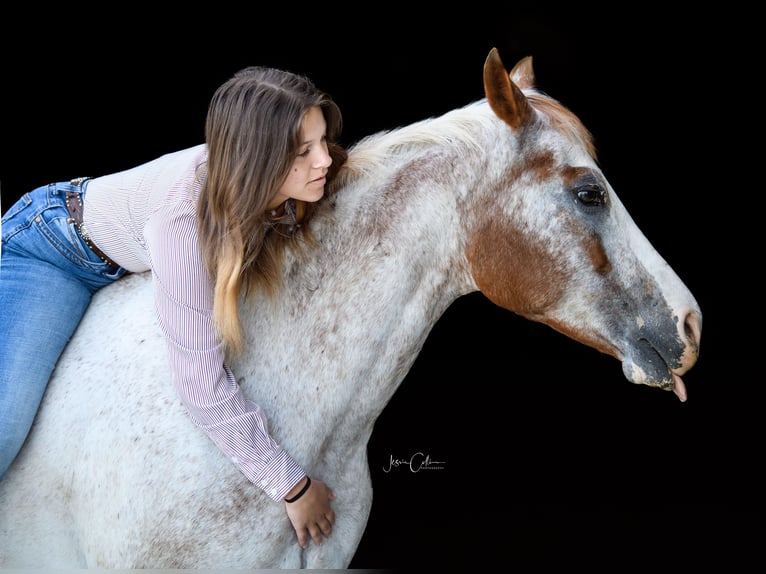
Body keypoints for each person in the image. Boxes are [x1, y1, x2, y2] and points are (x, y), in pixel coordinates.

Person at [0, 65, 348, 549]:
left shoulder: (269, 183)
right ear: (256, 159)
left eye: (323, 141)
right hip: (53, 248)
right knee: (3, 427)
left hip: (115, 241)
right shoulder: (184, 223)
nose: (324, 160)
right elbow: (199, 386)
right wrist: (291, 486)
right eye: (302, 151)